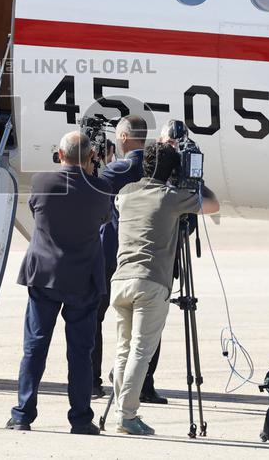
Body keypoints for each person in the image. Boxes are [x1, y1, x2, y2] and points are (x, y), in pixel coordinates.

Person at [110, 140, 220, 435]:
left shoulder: (125, 195)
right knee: (141, 351)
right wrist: (196, 180)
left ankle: (122, 409)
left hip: (120, 281)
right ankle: (127, 415)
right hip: (151, 282)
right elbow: (213, 205)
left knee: (123, 349)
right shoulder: (170, 197)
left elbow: (128, 198)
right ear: (171, 170)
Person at [6, 132, 112, 435]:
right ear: (91, 157)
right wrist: (94, 173)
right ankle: (79, 418)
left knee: (35, 346)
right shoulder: (101, 188)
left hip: (45, 274)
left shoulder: (42, 182)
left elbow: (36, 210)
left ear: (60, 155)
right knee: (80, 352)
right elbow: (105, 218)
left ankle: (23, 414)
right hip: (83, 278)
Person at [92, 115, 166, 405]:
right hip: (150, 257)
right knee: (148, 325)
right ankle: (144, 383)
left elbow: (93, 196)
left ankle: (93, 382)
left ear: (123, 137)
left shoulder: (115, 170)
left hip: (113, 253)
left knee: (94, 317)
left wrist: (104, 166)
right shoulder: (158, 167)